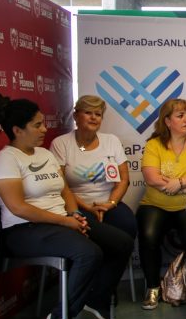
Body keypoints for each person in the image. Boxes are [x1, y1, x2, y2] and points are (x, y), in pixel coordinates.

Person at [0, 91, 133, 319]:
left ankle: (97, 299)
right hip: (24, 230)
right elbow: (18, 207)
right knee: (89, 254)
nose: (44, 129)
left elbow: (65, 190)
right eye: (37, 125)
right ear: (17, 130)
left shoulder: (44, 154)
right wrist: (64, 221)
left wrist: (74, 214)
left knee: (121, 242)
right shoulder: (5, 160)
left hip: (59, 221)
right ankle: (59, 318)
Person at [137, 98, 186, 310]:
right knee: (148, 234)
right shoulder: (154, 144)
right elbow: (152, 178)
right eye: (180, 116)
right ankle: (152, 287)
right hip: (155, 203)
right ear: (167, 121)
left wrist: (179, 184)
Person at [50, 95, 136, 238]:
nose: (93, 117)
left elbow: (123, 180)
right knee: (100, 236)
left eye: (98, 114)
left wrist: (111, 203)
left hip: (109, 204)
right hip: (77, 206)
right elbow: (61, 186)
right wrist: (88, 208)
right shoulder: (61, 144)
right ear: (75, 116)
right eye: (88, 112)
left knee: (128, 225)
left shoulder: (111, 141)